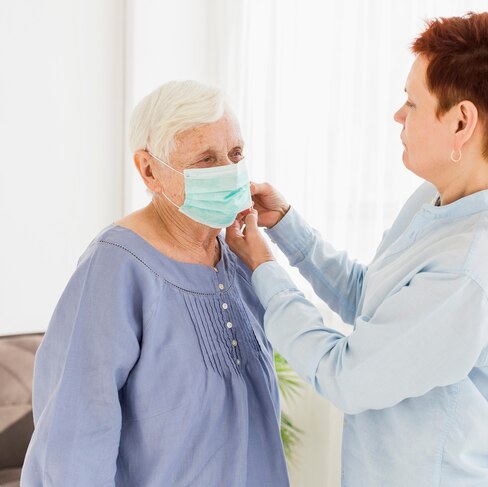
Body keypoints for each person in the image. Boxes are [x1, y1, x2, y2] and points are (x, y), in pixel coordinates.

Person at [226, 12, 488, 486]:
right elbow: (375, 302)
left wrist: (263, 267)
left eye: (412, 102)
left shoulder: (471, 270)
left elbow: (345, 375)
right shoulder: (447, 197)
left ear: (462, 122)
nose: (399, 115)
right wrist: (288, 229)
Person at [21, 81, 289, 486]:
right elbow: (73, 442)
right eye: (206, 159)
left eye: (236, 154)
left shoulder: (240, 253)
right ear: (149, 169)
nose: (229, 171)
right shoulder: (115, 266)